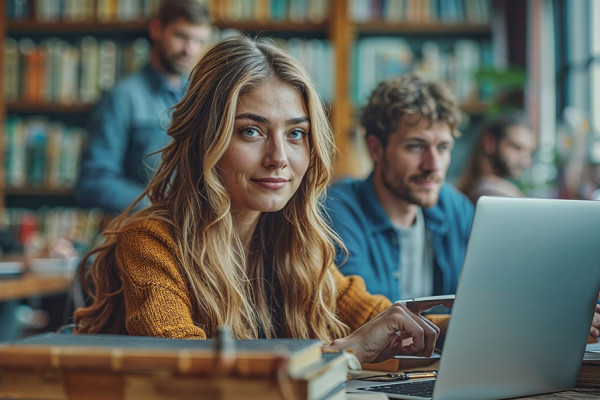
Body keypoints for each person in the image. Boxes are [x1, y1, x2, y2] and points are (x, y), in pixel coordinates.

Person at [73, 36, 447, 363]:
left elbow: (381, 318)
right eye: (251, 131)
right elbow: (186, 370)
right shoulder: (152, 243)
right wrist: (343, 354)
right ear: (206, 139)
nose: (279, 157)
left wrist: (467, 327)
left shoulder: (293, 244)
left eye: (296, 133)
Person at [324, 74, 474, 302]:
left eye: (443, 147)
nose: (433, 165)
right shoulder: (337, 212)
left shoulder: (456, 208)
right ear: (375, 149)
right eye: (415, 146)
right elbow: (366, 319)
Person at [75, 0, 213, 215]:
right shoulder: (123, 97)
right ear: (156, 29)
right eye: (181, 36)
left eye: (199, 40)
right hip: (143, 229)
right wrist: (160, 207)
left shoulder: (203, 98)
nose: (189, 49)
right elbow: (94, 182)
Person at [457, 112, 536, 204]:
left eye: (529, 152)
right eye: (516, 147)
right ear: (490, 143)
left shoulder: (478, 188)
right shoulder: (488, 194)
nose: (526, 162)